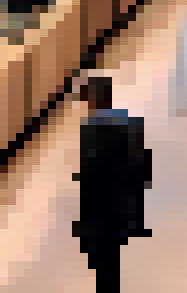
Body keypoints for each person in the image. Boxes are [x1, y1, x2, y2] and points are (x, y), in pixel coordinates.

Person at [72, 75, 153, 293]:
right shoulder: (131, 123)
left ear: (93, 98)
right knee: (111, 260)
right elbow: (143, 169)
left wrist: (82, 220)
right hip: (122, 207)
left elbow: (89, 176)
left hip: (100, 210)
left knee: (103, 264)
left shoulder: (91, 128)